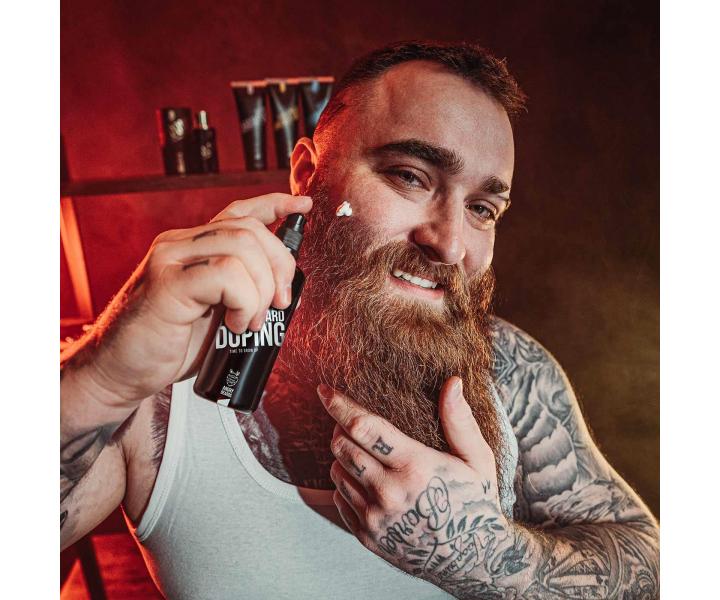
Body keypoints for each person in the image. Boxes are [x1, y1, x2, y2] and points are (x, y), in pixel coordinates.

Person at [60, 41, 659, 599]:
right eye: (409, 177)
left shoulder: (510, 366)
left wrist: (487, 556)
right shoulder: (167, 378)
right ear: (308, 175)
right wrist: (101, 379)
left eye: (482, 208)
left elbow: (650, 566)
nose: (450, 243)